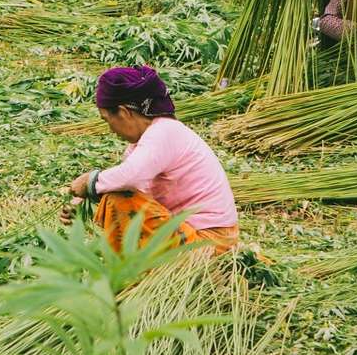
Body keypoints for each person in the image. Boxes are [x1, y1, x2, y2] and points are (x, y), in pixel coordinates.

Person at [58, 66, 239, 254]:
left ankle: (127, 273)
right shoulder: (147, 140)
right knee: (119, 195)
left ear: (124, 112)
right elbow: (135, 190)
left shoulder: (164, 132)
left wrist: (90, 182)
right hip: (192, 235)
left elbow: (129, 180)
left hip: (208, 243)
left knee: (118, 200)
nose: (111, 129)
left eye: (107, 120)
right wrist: (83, 205)